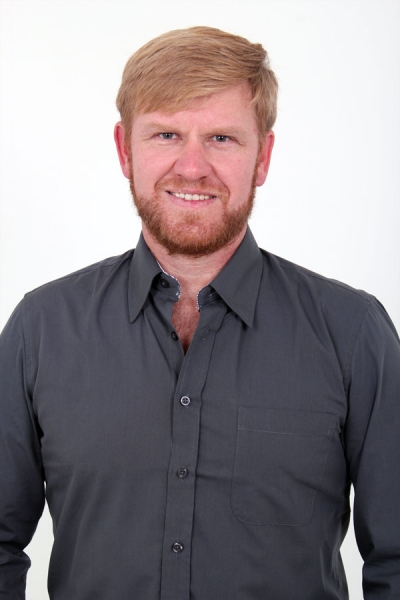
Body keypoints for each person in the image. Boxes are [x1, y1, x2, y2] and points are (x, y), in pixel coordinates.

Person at [0, 25, 399, 600]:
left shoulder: (353, 333)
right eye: (166, 134)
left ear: (262, 157)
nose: (192, 167)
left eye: (221, 138)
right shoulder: (39, 330)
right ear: (124, 150)